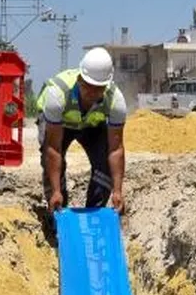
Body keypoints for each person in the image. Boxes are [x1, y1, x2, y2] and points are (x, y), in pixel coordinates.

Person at [36, 47, 128, 220]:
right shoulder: (58, 94)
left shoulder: (115, 100)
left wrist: (117, 191)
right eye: (88, 87)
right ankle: (57, 214)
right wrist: (56, 191)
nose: (92, 94)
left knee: (104, 166)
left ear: (106, 85)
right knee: (53, 165)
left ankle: (93, 216)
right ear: (79, 79)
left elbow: (115, 149)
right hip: (57, 123)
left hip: (90, 125)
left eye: (98, 89)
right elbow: (53, 148)